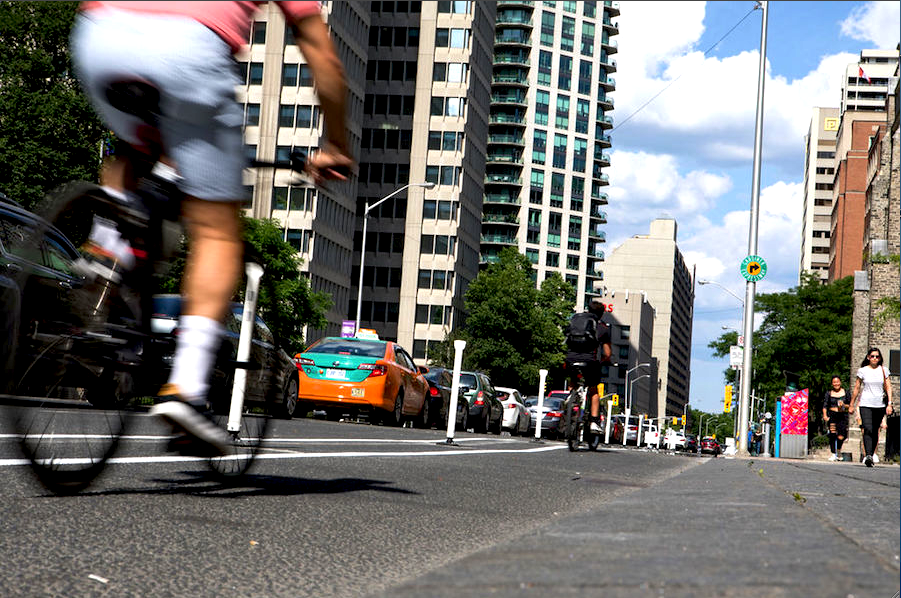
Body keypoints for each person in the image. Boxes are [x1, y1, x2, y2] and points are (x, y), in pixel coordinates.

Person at [70, 2, 354, 455]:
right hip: (187, 52)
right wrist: (336, 143)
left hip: (99, 36)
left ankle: (106, 247)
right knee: (217, 232)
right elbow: (322, 54)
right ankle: (186, 390)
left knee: (138, 151)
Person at [563, 298, 613, 435]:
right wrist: (605, 360)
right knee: (594, 390)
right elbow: (608, 353)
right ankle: (594, 422)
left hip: (570, 359)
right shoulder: (602, 327)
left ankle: (571, 397)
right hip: (590, 362)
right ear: (601, 314)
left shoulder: (576, 320)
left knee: (574, 378)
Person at [849, 348, 893, 467]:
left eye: (877, 356)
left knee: (875, 431)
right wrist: (852, 404)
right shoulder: (862, 371)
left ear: (880, 358)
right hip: (865, 404)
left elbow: (888, 387)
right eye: (872, 356)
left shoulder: (884, 370)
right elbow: (857, 388)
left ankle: (871, 453)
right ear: (868, 357)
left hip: (879, 405)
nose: (874, 358)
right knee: (867, 428)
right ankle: (868, 455)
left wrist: (889, 403)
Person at [822, 375, 849, 462]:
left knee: (842, 435)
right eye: (834, 382)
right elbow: (825, 405)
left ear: (840, 382)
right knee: (832, 434)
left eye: (837, 382)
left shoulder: (846, 392)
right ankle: (833, 453)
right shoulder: (829, 393)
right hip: (832, 415)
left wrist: (844, 405)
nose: (836, 384)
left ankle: (839, 450)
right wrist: (825, 415)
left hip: (842, 415)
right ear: (832, 383)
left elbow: (850, 405)